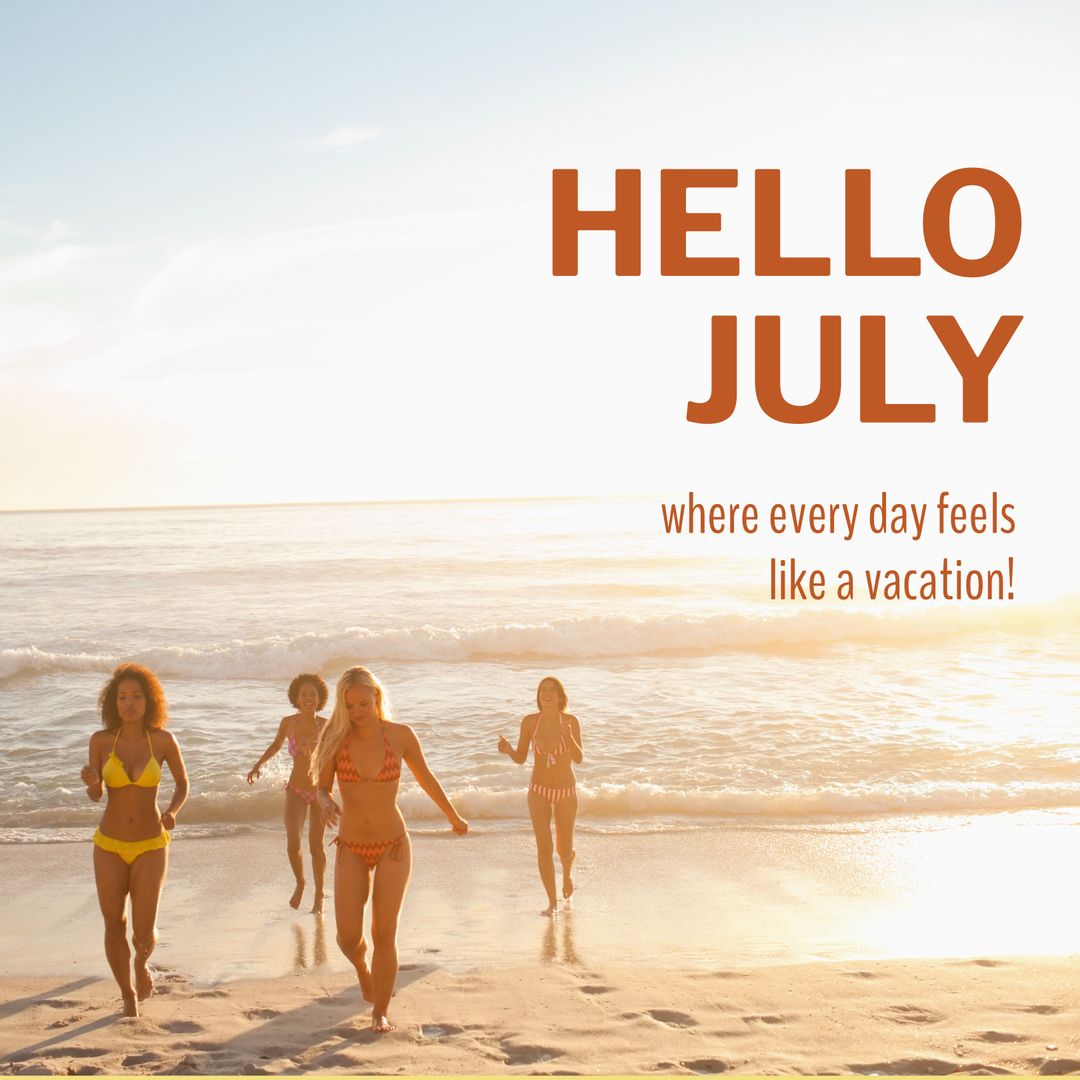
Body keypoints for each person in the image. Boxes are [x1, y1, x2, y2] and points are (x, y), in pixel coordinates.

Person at [314, 666, 468, 1033]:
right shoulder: (336, 739)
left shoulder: (400, 736)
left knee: (385, 932)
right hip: (350, 845)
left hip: (393, 846)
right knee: (348, 937)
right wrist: (324, 801)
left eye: (363, 703)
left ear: (377, 698)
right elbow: (320, 787)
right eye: (349, 706)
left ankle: (379, 1012)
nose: (357, 712)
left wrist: (454, 817)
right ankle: (363, 969)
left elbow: (427, 778)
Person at [81, 663, 189, 1017]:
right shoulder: (100, 741)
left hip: (151, 845)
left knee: (142, 934)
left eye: (136, 696)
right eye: (122, 697)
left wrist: (172, 811)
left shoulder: (162, 740)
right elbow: (96, 795)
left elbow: (183, 785)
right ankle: (128, 995)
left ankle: (141, 963)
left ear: (149, 700)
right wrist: (92, 782)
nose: (129, 703)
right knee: (114, 925)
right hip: (108, 845)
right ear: (113, 702)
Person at [498, 676, 583, 916]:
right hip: (538, 791)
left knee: (563, 848)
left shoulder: (570, 722)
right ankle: (552, 902)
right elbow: (522, 757)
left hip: (566, 791)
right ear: (538, 695)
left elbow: (578, 758)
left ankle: (567, 871)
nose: (546, 693)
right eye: (542, 690)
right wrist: (508, 751)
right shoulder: (529, 722)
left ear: (560, 696)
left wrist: (568, 737)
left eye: (551, 690)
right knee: (543, 846)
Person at [247, 673, 329, 912]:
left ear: (320, 697)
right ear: (296, 697)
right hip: (295, 789)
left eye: (313, 694)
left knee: (316, 846)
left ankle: (319, 896)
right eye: (303, 694)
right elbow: (275, 745)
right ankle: (301, 882)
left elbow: (333, 756)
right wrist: (257, 765)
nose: (308, 698)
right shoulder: (288, 723)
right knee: (293, 845)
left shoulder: (326, 725)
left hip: (319, 792)